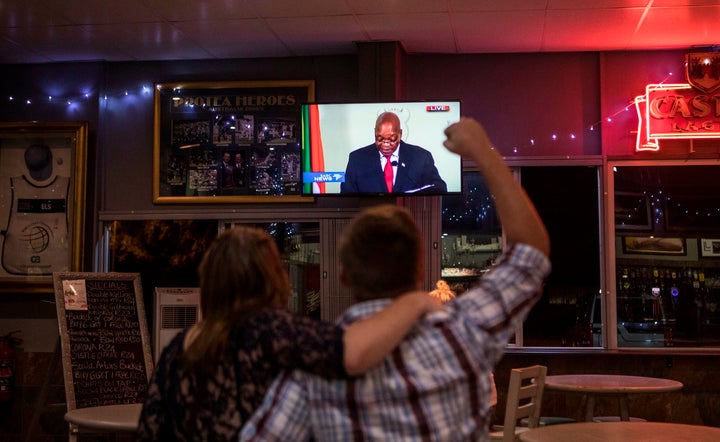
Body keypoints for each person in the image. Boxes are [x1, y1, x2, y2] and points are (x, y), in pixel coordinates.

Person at [240, 117, 551, 441]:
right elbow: (531, 254)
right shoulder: (462, 333)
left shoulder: (311, 367)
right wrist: (483, 153)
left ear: (344, 275)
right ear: (419, 268)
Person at [136, 226, 440, 441]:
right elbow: (353, 352)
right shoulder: (272, 330)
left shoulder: (179, 347)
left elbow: (150, 430)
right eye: (279, 268)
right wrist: (417, 301)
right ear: (272, 277)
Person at [340, 111, 447, 194]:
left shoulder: (421, 157)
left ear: (400, 134)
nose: (385, 144)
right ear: (374, 133)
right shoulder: (357, 159)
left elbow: (440, 188)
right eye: (380, 138)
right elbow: (346, 196)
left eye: (391, 138)